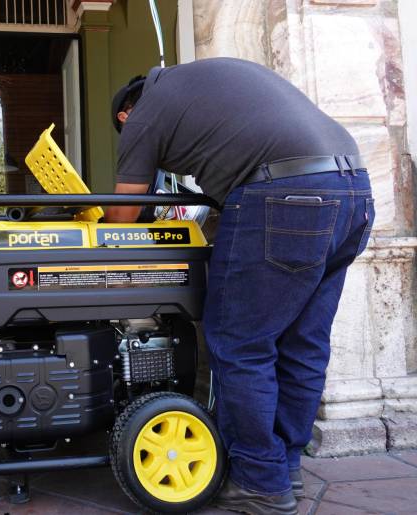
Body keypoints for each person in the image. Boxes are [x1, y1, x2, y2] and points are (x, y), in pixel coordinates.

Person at [107, 58, 374, 515]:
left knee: (239, 343)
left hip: (284, 196)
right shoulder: (202, 84)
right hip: (355, 192)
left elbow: (120, 219)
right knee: (303, 344)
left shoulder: (144, 113)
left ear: (124, 116)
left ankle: (259, 481)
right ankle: (283, 469)